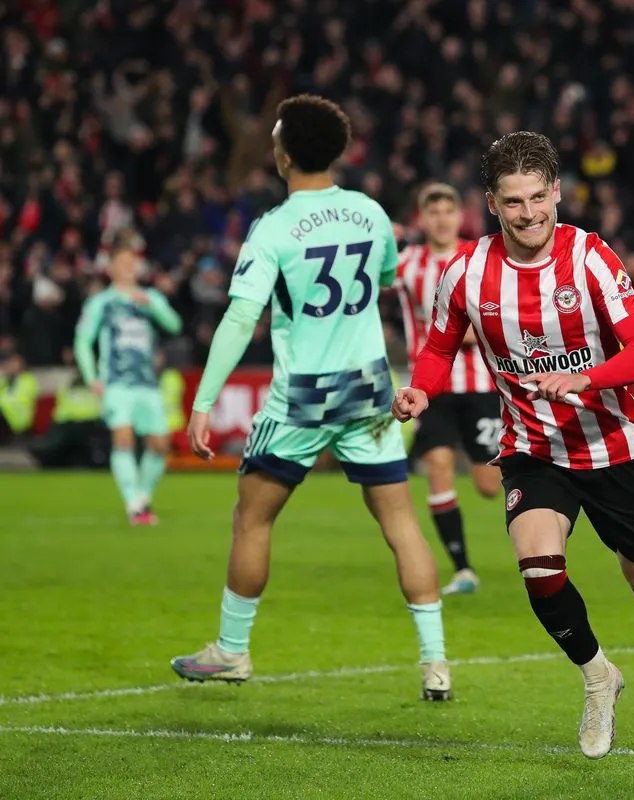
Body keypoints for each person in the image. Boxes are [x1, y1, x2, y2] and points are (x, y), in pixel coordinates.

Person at [392, 131, 634, 765]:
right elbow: (439, 346)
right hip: (532, 448)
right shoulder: (465, 271)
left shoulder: (592, 259)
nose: (529, 213)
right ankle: (599, 677)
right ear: (491, 202)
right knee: (540, 571)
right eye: (513, 201)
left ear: (558, 192)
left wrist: (585, 378)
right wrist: (420, 391)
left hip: (611, 449)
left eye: (539, 197)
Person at [170, 94, 452, 701]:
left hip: (302, 397)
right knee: (401, 523)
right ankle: (435, 663)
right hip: (370, 388)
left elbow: (240, 319)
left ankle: (232, 651)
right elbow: (381, 282)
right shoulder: (371, 214)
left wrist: (203, 402)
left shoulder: (272, 228)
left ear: (285, 153)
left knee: (252, 517)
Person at [396, 182, 502, 596]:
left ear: (460, 217)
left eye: (448, 211)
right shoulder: (408, 264)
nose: (441, 218)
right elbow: (368, 273)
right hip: (431, 388)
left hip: (480, 387)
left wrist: (467, 333)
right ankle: (462, 569)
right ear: (422, 219)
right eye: (432, 211)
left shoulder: (480, 257)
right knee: (437, 467)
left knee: (489, 486)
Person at [74, 242, 182, 524]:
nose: (128, 267)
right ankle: (134, 504)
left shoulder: (150, 297)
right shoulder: (101, 303)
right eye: (122, 262)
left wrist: (154, 307)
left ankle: (142, 496)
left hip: (147, 382)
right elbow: (83, 341)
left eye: (131, 261)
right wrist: (91, 377)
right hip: (117, 383)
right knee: (122, 438)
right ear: (110, 269)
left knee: (159, 444)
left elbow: (174, 325)